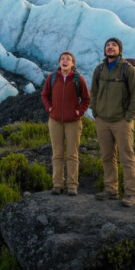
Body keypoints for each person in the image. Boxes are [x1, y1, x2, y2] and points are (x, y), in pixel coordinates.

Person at [90, 37, 135, 207]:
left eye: (113, 45)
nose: (110, 47)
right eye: (107, 45)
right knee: (107, 156)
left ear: (120, 49)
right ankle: (111, 189)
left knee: (127, 158)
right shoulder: (99, 69)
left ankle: (130, 193)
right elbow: (94, 92)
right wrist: (95, 112)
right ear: (104, 50)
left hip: (122, 121)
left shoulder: (128, 69)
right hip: (102, 120)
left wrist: (129, 117)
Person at [41, 51, 90, 196]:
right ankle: (57, 184)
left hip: (73, 123)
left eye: (68, 59)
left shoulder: (78, 79)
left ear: (72, 63)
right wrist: (49, 108)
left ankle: (72, 186)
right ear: (59, 63)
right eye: (62, 59)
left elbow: (86, 98)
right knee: (57, 154)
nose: (65, 61)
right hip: (55, 121)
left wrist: (79, 112)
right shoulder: (52, 77)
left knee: (72, 155)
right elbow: (44, 95)